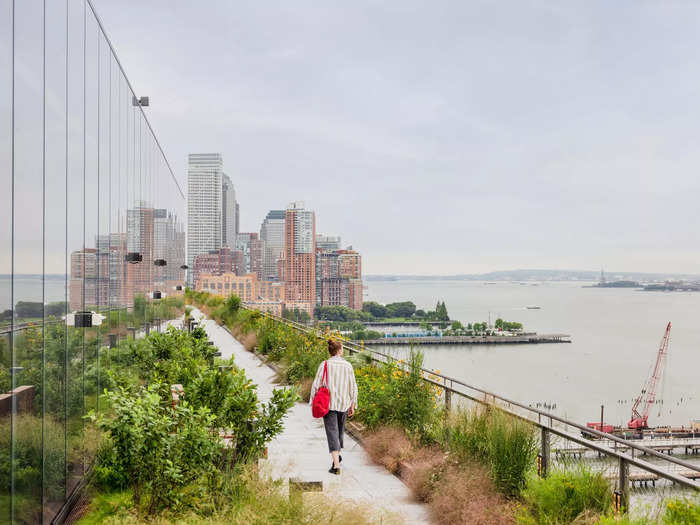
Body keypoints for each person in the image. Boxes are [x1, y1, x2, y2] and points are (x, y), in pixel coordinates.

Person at [309, 338, 358, 475]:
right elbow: (353, 386)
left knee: (332, 432)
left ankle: (336, 465)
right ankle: (337, 457)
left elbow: (316, 384)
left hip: (328, 404)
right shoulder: (348, 366)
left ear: (330, 351)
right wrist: (353, 404)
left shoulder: (324, 364)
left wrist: (313, 402)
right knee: (339, 431)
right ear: (340, 351)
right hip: (344, 403)